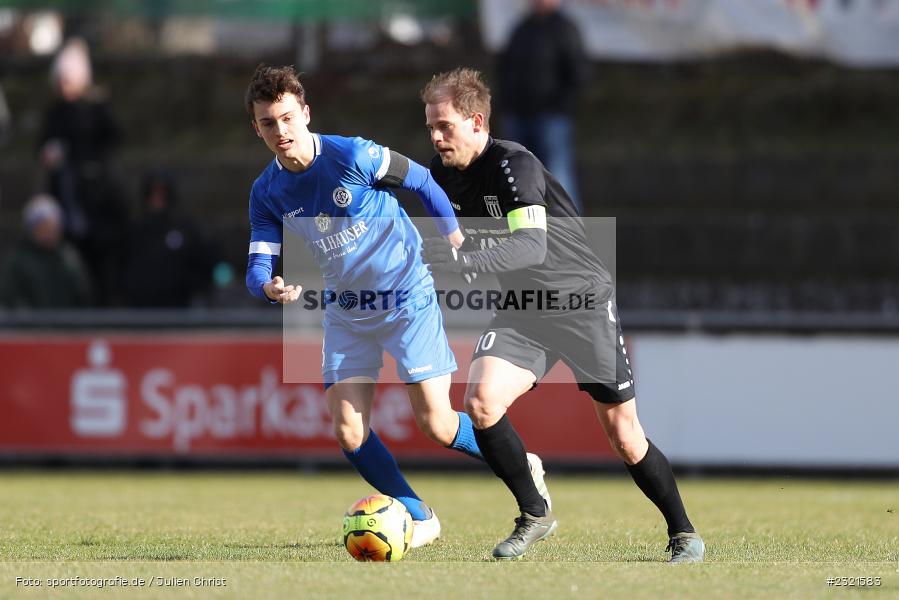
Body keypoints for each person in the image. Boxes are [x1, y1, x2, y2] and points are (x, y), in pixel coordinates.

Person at [242, 65, 549, 548]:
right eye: (267, 123)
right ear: (256, 128)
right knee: (348, 430)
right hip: (347, 311)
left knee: (437, 423)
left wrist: (452, 237)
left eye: (286, 118)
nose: (280, 131)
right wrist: (270, 288)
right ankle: (418, 514)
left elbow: (424, 181)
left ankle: (519, 462)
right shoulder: (266, 192)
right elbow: (258, 266)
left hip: (407, 295)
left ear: (305, 113)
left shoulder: (353, 154)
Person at [419, 68, 704, 562]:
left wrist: (465, 261)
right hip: (525, 311)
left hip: (581, 303)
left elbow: (531, 247)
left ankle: (683, 532)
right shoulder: (441, 175)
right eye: (431, 128)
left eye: (445, 126)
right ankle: (535, 513)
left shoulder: (515, 166)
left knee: (623, 434)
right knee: (482, 402)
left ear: (477, 121)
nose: (437, 137)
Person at [38, 37, 129, 304]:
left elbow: (112, 138)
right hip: (67, 193)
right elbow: (45, 144)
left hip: (95, 197)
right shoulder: (56, 111)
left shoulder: (95, 108)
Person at [497, 0, 587, 212]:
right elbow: (505, 69)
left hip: (551, 119)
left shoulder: (565, 29)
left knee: (558, 178)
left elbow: (578, 73)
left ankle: (570, 236)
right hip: (518, 117)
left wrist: (559, 105)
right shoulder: (521, 28)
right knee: (518, 180)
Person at [123, 167, 217, 308]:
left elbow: (204, 265)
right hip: (140, 310)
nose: (157, 199)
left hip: (179, 309)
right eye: (153, 193)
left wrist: (188, 285)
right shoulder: (135, 230)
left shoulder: (186, 229)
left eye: (162, 193)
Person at [0, 193, 93, 309]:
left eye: (53, 226)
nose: (49, 232)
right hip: (31, 326)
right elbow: (10, 299)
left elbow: (83, 297)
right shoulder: (18, 261)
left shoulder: (69, 257)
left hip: (67, 325)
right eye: (43, 227)